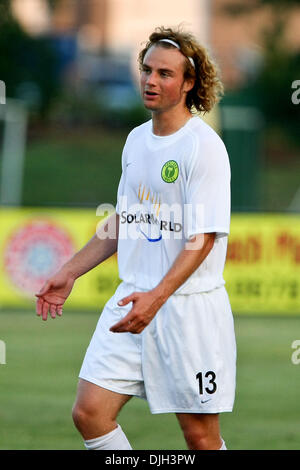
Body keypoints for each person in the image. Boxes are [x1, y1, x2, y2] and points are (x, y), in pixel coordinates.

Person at [36, 26, 236, 451]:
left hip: (187, 311)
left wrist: (158, 297)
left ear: (188, 83)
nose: (150, 80)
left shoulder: (204, 147)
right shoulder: (136, 141)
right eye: (146, 69)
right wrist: (68, 272)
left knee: (200, 436)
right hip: (132, 301)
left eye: (165, 73)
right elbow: (123, 220)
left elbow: (201, 240)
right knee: (89, 413)